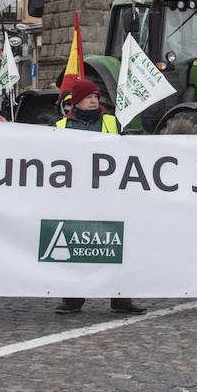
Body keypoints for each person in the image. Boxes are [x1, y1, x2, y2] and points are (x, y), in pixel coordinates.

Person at [54, 78, 145, 315]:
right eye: (88, 97)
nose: (94, 100)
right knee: (75, 245)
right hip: (76, 195)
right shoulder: (61, 126)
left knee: (117, 245)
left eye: (95, 96)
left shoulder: (112, 121)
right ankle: (73, 298)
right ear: (76, 102)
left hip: (110, 194)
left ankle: (121, 298)